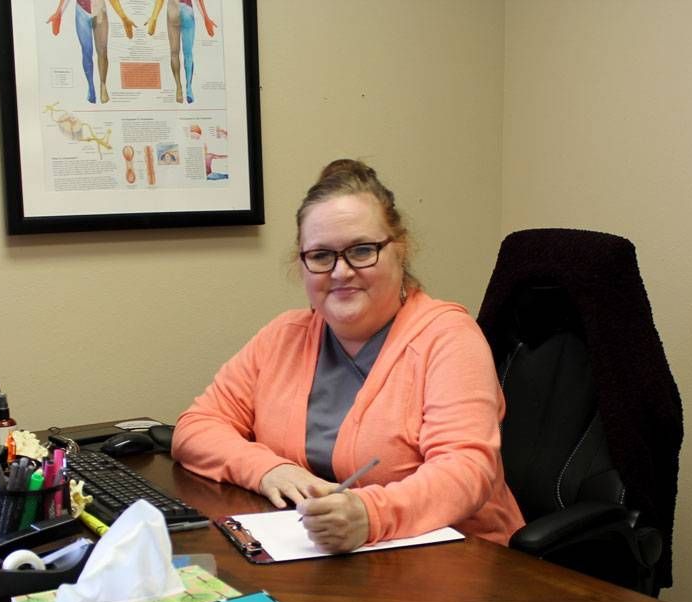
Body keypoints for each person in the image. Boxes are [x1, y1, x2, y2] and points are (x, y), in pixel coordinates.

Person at [172, 159, 524, 553]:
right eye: (322, 256)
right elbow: (196, 427)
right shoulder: (285, 336)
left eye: (361, 250)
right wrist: (269, 469)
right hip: (321, 555)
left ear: (400, 249)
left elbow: (466, 471)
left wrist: (370, 514)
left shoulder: (448, 339)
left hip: (458, 557)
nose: (340, 272)